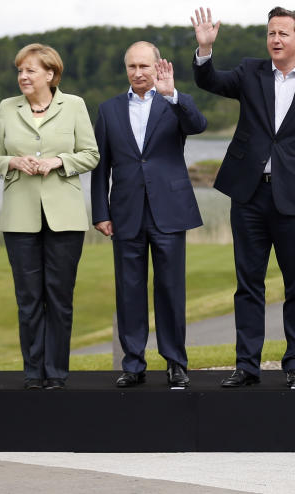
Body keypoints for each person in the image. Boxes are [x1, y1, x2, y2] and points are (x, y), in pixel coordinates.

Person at [191, 5, 295, 390]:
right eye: (271, 33)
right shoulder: (249, 71)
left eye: (282, 33)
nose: (275, 39)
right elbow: (210, 81)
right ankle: (247, 365)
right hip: (249, 195)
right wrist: (205, 50)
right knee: (248, 284)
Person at [91, 42, 208, 389]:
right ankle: (133, 363)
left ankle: (175, 363)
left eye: (145, 66)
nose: (139, 73)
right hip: (125, 212)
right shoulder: (109, 110)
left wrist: (173, 95)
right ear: (126, 69)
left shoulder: (172, 103)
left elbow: (199, 124)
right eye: (132, 67)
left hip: (169, 212)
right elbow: (101, 169)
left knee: (170, 289)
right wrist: (101, 212)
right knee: (129, 290)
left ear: (158, 67)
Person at [0, 43, 99, 390]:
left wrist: (58, 161)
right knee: (29, 298)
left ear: (50, 74)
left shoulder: (74, 105)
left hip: (65, 217)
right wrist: (13, 162)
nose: (23, 76)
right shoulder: (7, 108)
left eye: (30, 70)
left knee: (60, 298)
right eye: (20, 70)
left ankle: (57, 373)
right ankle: (33, 372)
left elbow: (91, 154)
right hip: (20, 218)